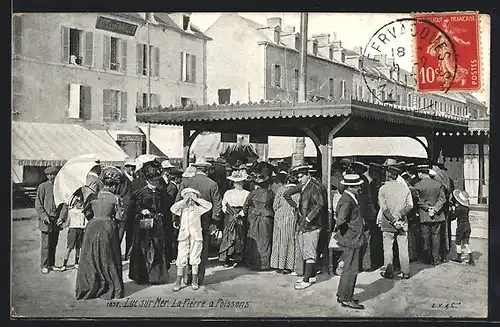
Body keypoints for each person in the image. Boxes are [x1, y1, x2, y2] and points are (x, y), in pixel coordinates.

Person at [75, 166, 125, 300]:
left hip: (92, 227)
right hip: (108, 227)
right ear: (114, 186)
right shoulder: (116, 198)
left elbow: (86, 212)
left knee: (91, 257)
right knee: (108, 257)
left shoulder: (92, 196)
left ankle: (90, 286)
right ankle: (111, 287)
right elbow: (120, 218)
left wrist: (94, 218)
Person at [175, 157, 222, 286]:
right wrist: (215, 222)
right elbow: (217, 205)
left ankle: (185, 277)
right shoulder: (212, 184)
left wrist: (177, 219)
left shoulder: (186, 182)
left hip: (186, 219)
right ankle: (198, 278)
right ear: (207, 169)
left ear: (196, 168)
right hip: (204, 221)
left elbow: (178, 201)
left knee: (185, 249)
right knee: (200, 250)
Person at [127, 160, 173, 285]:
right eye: (152, 181)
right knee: (143, 247)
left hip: (157, 225)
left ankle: (156, 276)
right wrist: (142, 210)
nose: (155, 184)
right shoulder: (140, 193)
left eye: (156, 181)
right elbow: (132, 209)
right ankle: (141, 276)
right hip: (143, 225)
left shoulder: (162, 193)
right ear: (147, 180)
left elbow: (166, 207)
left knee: (157, 247)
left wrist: (161, 214)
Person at [283, 164, 325, 290]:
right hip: (305, 225)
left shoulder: (314, 187)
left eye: (302, 176)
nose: (299, 179)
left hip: (313, 225)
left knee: (310, 252)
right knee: (306, 250)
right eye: (298, 177)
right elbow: (287, 194)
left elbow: (320, 204)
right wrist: (295, 206)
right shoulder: (304, 186)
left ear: (308, 175)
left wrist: (308, 218)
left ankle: (306, 280)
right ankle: (311, 276)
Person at [332, 174, 366, 310]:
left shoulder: (348, 197)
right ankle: (346, 298)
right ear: (351, 187)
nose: (359, 188)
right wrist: (349, 232)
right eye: (357, 186)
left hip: (351, 238)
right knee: (351, 269)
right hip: (352, 239)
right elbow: (341, 220)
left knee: (348, 268)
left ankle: (342, 294)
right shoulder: (347, 200)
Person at [170, 188, 213, 291]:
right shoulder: (182, 209)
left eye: (191, 198)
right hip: (184, 235)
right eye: (187, 197)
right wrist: (184, 200)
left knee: (195, 257)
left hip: (196, 235)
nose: (190, 200)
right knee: (181, 257)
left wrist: (197, 199)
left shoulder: (198, 209)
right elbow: (173, 208)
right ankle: (178, 281)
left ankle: (194, 280)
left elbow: (209, 206)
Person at [378, 165, 414, 279]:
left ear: (388, 175)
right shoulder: (405, 189)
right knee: (403, 247)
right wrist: (400, 215)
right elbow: (410, 206)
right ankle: (405, 271)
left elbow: (383, 208)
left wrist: (393, 219)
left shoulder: (383, 189)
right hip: (402, 222)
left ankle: (388, 271)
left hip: (388, 223)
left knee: (388, 248)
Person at [414, 164, 447, 266]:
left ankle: (427, 258)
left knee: (425, 237)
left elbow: (418, 201)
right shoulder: (438, 184)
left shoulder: (417, 186)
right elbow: (443, 199)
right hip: (437, 215)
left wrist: (428, 208)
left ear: (420, 173)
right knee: (436, 237)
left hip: (424, 215)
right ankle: (436, 259)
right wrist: (435, 209)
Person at [240, 173, 275, 271]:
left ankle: (254, 263)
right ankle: (265, 264)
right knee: (265, 240)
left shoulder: (253, 193)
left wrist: (248, 215)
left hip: (254, 218)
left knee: (254, 239)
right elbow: (275, 205)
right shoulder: (270, 193)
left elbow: (245, 206)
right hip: (267, 218)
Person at [35, 166, 63, 274]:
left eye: (54, 175)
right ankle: (44, 265)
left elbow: (64, 204)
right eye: (50, 175)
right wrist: (44, 217)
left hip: (56, 220)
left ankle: (52, 264)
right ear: (47, 176)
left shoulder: (60, 188)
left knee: (54, 243)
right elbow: (38, 204)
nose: (52, 177)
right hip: (46, 220)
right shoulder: (42, 187)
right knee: (46, 244)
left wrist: (61, 217)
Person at [219, 170, 250, 267]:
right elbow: (223, 204)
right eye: (236, 182)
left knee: (239, 236)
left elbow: (247, 206)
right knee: (228, 235)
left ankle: (238, 257)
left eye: (239, 182)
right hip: (230, 215)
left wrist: (241, 213)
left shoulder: (247, 193)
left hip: (241, 215)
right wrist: (229, 212)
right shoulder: (228, 193)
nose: (237, 184)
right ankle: (226, 257)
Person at [271, 173, 299, 274]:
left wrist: (278, 212)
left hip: (280, 216)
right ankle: (289, 265)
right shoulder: (298, 190)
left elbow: (275, 205)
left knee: (279, 240)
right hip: (292, 216)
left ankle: (278, 264)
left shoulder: (281, 189)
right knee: (290, 241)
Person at [351, 162, 377, 272]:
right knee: (367, 239)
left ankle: (358, 265)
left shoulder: (357, 182)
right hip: (368, 214)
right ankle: (367, 264)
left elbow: (361, 201)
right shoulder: (365, 181)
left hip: (361, 215)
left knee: (359, 240)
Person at [57, 191, 86, 271]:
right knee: (69, 248)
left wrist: (85, 227)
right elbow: (67, 222)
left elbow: (85, 221)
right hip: (73, 230)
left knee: (78, 247)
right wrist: (61, 224)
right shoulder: (71, 212)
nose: (80, 204)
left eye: (81, 202)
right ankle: (64, 264)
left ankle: (76, 263)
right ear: (75, 203)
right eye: (79, 202)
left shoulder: (82, 212)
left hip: (80, 229)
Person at [450, 190, 475, 265]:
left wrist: (452, 212)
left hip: (461, 226)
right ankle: (471, 259)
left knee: (458, 242)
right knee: (466, 243)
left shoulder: (458, 208)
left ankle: (458, 258)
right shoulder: (467, 208)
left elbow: (453, 217)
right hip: (467, 226)